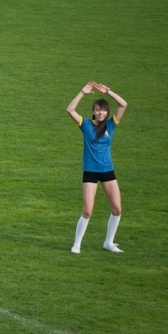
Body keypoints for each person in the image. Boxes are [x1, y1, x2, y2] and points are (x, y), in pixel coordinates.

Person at [66, 82, 128, 254]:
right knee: (87, 211)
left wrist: (108, 92)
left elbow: (123, 105)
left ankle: (109, 242)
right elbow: (70, 110)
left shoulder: (110, 125)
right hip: (90, 172)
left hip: (108, 171)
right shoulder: (86, 125)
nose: (101, 113)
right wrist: (82, 92)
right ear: (93, 111)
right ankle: (77, 244)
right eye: (98, 110)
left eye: (104, 110)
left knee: (117, 209)